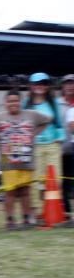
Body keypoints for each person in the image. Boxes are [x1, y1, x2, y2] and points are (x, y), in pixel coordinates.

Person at [0, 91, 51, 230]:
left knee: (25, 191)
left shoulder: (31, 114)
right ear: (5, 103)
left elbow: (47, 119)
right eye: (10, 101)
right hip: (8, 163)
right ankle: (10, 220)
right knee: (10, 192)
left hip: (26, 161)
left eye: (16, 101)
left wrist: (34, 134)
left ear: (21, 102)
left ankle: (27, 218)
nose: (13, 103)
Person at [24, 72, 65, 223]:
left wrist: (59, 141)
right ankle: (36, 213)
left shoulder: (53, 103)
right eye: (36, 83)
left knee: (56, 179)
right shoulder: (26, 104)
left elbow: (59, 125)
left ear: (48, 86)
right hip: (34, 147)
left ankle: (55, 211)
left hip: (52, 145)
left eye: (43, 83)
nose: (40, 86)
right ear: (31, 86)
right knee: (36, 181)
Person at [59, 74, 74, 223]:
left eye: (73, 83)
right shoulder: (57, 104)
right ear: (62, 86)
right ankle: (67, 214)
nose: (70, 86)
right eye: (67, 83)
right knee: (64, 184)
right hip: (62, 150)